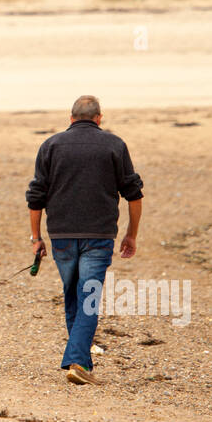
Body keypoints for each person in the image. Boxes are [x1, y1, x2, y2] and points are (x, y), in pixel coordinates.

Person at [25, 94, 143, 385]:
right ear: (99, 118)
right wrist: (131, 234)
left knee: (74, 297)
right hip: (99, 235)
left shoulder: (50, 145)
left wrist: (36, 238)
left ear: (71, 118)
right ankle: (78, 361)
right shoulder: (115, 145)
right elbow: (134, 194)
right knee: (87, 299)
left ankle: (79, 362)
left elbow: (35, 196)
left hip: (62, 235)